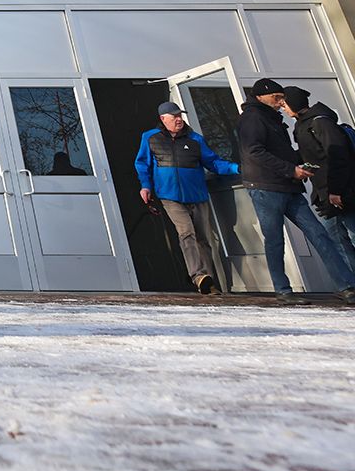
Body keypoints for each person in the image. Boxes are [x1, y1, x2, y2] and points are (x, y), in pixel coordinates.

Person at [237, 78, 355, 304]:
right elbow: (254, 151)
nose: (282, 103)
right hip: (265, 188)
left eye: (282, 98)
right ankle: (283, 291)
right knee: (275, 239)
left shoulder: (273, 119)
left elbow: (282, 151)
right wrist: (291, 169)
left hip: (288, 186)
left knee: (318, 233)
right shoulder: (252, 119)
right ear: (262, 95)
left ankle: (346, 285)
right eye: (277, 97)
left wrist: (299, 165)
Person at [134, 101, 237, 295]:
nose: (179, 120)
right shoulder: (150, 138)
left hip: (197, 196)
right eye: (174, 117)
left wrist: (237, 168)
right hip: (169, 196)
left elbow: (214, 163)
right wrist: (145, 186)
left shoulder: (195, 139)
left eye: (180, 116)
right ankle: (198, 276)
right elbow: (142, 164)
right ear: (163, 119)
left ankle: (209, 281)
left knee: (203, 239)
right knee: (186, 232)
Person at [281, 86, 355, 273]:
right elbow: (312, 155)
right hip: (325, 193)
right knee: (335, 240)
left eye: (284, 103)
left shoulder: (321, 123)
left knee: (346, 236)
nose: (282, 107)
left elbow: (339, 157)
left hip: (341, 192)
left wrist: (336, 191)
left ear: (294, 103)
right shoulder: (301, 125)